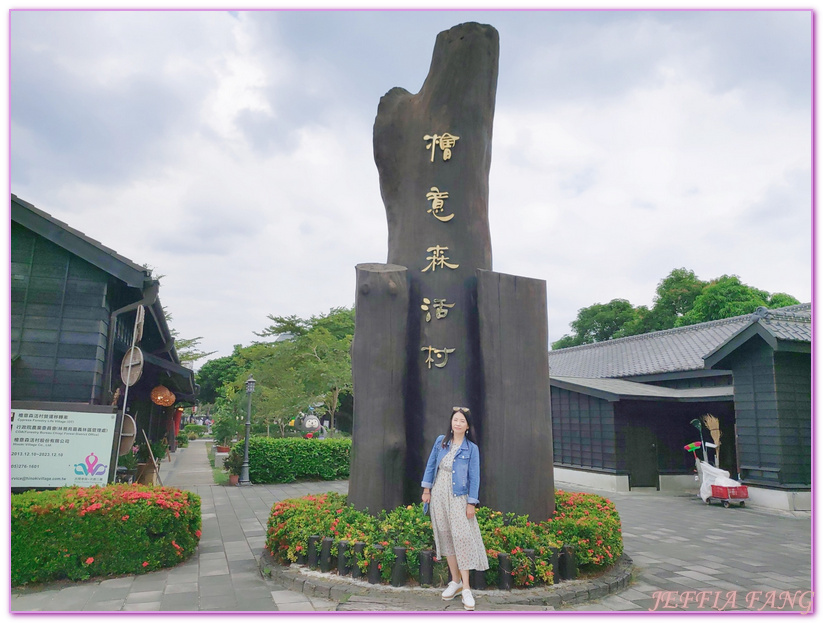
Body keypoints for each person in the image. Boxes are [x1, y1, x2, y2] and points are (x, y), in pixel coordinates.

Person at [421, 407, 488, 611]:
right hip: (439, 494)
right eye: (455, 420)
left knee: (462, 538)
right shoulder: (441, 442)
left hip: (459, 497)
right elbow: (431, 465)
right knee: (446, 536)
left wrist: (472, 503)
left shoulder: (471, 449)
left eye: (461, 421)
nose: (457, 424)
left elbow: (474, 477)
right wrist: (426, 491)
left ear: (467, 426)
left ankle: (466, 588)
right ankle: (455, 582)